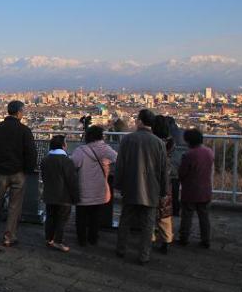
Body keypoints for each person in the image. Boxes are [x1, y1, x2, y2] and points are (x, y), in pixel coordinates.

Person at [115, 109, 168, 265]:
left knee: (125, 220)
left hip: (130, 186)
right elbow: (163, 170)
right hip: (151, 189)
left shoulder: (127, 140)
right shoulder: (159, 143)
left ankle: (121, 249)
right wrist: (164, 191)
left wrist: (118, 184)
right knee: (148, 224)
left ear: (139, 121)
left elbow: (120, 165)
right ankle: (144, 255)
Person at [0, 100, 37, 247]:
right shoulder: (24, 130)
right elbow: (31, 153)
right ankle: (9, 236)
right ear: (19, 112)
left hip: (0, 172)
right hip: (18, 173)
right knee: (15, 205)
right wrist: (28, 170)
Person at [71, 125, 117, 246]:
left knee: (81, 216)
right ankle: (93, 238)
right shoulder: (106, 149)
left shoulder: (80, 150)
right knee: (95, 216)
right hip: (99, 190)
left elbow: (73, 164)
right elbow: (117, 158)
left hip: (83, 189)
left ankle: (81, 240)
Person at [40, 135, 79, 252]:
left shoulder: (45, 160)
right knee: (62, 219)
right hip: (64, 196)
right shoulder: (67, 161)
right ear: (63, 145)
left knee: (50, 216)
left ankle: (49, 238)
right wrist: (75, 196)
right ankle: (58, 241)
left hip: (49, 193)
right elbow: (72, 181)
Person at [177, 128, 214, 248]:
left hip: (190, 190)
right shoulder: (209, 152)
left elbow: (182, 173)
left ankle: (184, 237)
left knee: (187, 215)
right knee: (204, 216)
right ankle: (206, 239)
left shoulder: (188, 155)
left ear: (188, 141)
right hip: (205, 189)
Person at [152, 115, 175, 254]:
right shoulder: (171, 142)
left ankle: (151, 236)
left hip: (152, 179)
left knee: (150, 211)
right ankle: (167, 239)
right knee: (164, 212)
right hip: (166, 179)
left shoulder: (153, 142)